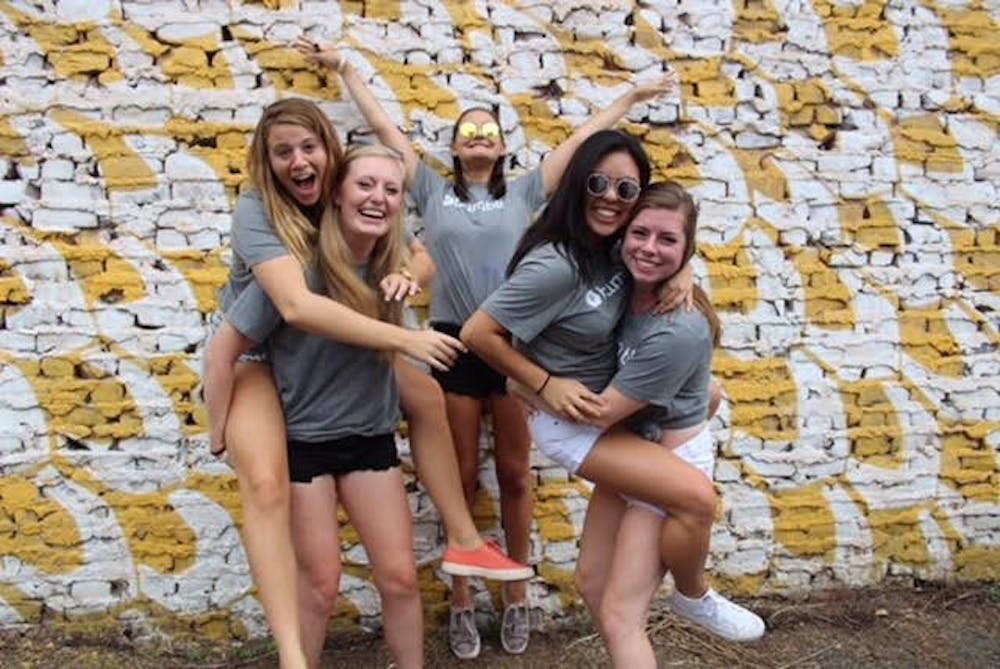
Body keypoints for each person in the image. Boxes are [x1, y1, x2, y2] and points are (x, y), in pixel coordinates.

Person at [295, 37, 678, 659]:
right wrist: (346, 71)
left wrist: (628, 97)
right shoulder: (428, 191)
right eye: (466, 129)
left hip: (515, 346)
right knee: (464, 477)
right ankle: (465, 599)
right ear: (452, 147)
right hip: (451, 345)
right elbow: (384, 129)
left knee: (516, 475)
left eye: (489, 129)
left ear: (502, 147)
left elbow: (582, 146)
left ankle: (517, 594)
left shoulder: (526, 194)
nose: (477, 134)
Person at [203, 99, 528, 668]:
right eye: (283, 151)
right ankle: (291, 656)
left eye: (310, 148)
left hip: (357, 419)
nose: (299, 161)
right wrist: (216, 424)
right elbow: (292, 308)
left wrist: (407, 273)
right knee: (265, 486)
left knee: (425, 395)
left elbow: (420, 253)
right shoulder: (265, 218)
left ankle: (465, 538)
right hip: (258, 359)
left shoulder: (375, 240)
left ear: (329, 156)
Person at [462, 132, 764, 656]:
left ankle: (688, 599)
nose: (611, 197)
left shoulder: (612, 254)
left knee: (598, 589)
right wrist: (536, 382)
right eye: (598, 183)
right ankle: (695, 596)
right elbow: (477, 334)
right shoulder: (559, 264)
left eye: (627, 190)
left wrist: (683, 266)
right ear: (578, 184)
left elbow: (662, 236)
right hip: (582, 420)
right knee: (666, 543)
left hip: (617, 423)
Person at [216, 144, 425, 667]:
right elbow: (228, 345)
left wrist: (413, 273)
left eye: (391, 189)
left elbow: (437, 252)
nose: (378, 197)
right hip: (306, 443)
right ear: (336, 193)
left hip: (370, 438)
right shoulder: (293, 270)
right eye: (365, 185)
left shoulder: (392, 265)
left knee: (400, 579)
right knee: (320, 586)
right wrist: (217, 427)